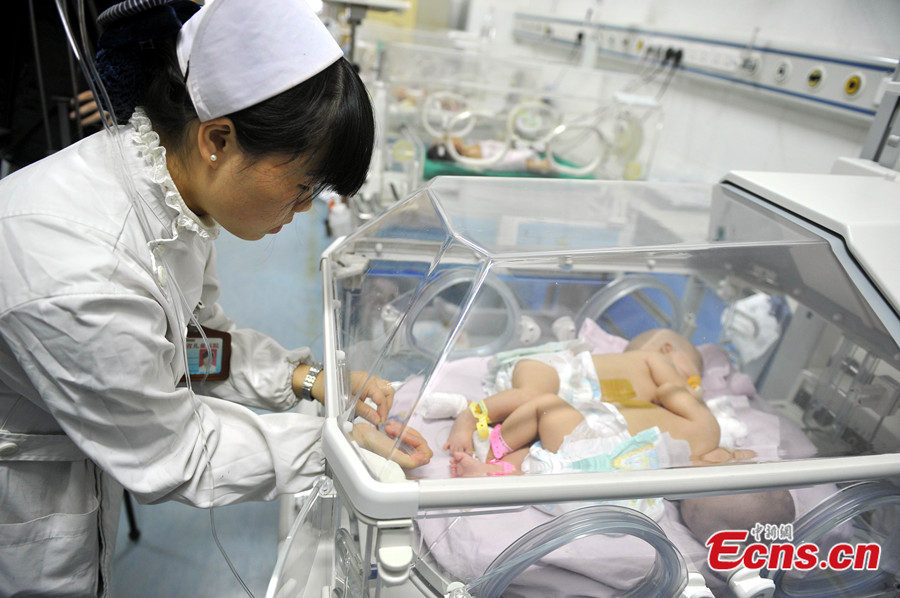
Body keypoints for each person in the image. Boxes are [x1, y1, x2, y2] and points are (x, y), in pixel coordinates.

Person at [0, 1, 431, 596]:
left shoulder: (171, 199)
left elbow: (196, 346)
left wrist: (307, 381)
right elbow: (178, 452)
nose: (304, 210)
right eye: (303, 186)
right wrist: (336, 447)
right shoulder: (84, 271)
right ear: (218, 138)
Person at [445, 328, 744, 476]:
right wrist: (689, 391)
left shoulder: (648, 405)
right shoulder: (654, 360)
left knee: (544, 449)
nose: (694, 384)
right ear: (668, 349)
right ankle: (470, 417)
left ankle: (494, 470)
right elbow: (672, 388)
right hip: (560, 372)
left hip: (575, 410)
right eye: (691, 375)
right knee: (535, 398)